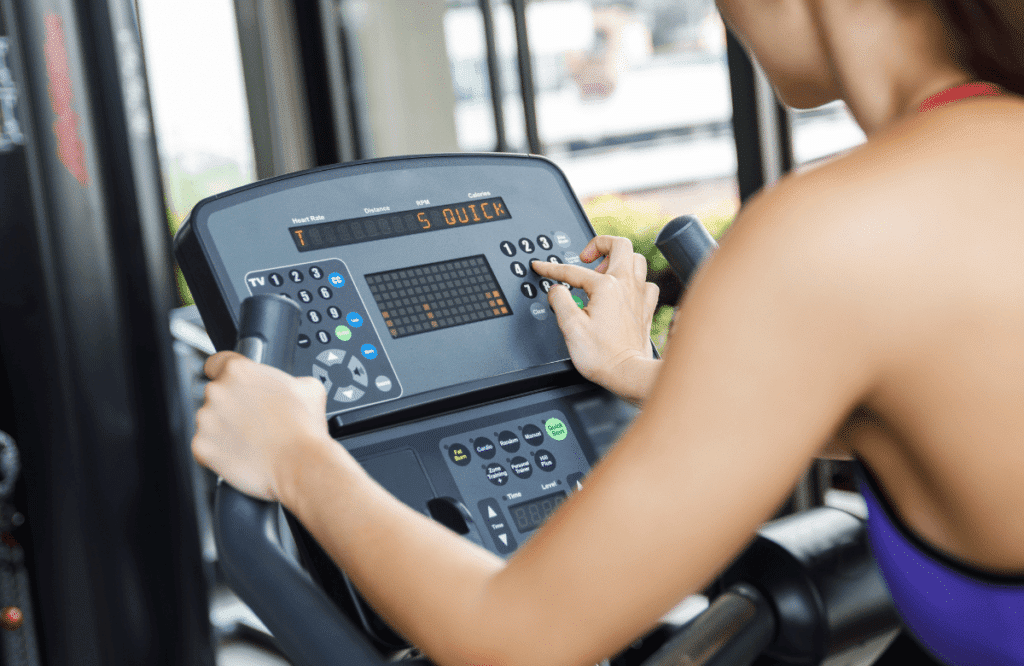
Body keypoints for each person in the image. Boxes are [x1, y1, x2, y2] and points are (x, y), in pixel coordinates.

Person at [192, 0, 1024, 664]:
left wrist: (294, 456)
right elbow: (957, 419)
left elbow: (513, 637)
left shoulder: (834, 234)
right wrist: (635, 367)